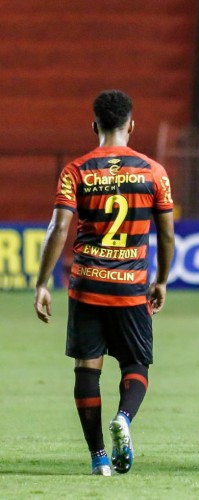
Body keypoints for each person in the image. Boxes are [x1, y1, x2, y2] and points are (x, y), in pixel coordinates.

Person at [33, 89, 175, 476]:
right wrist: (161, 279)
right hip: (131, 287)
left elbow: (58, 227)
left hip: (87, 284)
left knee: (87, 368)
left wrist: (43, 282)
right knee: (136, 363)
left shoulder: (76, 170)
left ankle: (98, 459)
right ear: (131, 125)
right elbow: (166, 235)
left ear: (94, 124)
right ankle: (124, 418)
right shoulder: (153, 172)